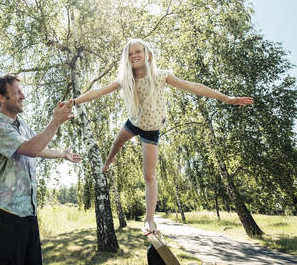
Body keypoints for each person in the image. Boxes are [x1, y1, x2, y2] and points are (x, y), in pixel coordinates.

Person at [72, 39, 252, 235]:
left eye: (137, 51)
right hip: (134, 122)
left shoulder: (161, 76)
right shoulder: (125, 80)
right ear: (126, 58)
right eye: (130, 53)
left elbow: (194, 86)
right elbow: (98, 91)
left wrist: (226, 98)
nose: (134, 56)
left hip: (151, 130)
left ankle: (149, 220)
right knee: (116, 143)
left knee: (148, 175)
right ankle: (110, 158)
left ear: (148, 54)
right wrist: (74, 101)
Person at [0, 74, 81, 265]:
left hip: (28, 213)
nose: (23, 95)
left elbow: (37, 149)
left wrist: (63, 154)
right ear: (1, 98)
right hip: (5, 214)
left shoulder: (22, 126)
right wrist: (55, 122)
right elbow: (31, 148)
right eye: (17, 92)